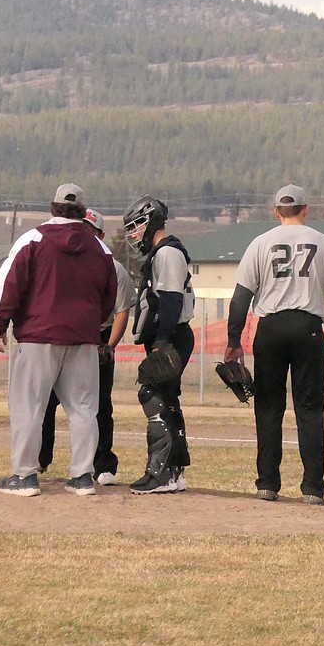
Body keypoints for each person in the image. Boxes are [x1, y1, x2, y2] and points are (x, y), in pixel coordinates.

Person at [224, 185, 324, 504]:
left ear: (276, 212)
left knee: (268, 407)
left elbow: (241, 297)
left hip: (270, 329)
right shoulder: (322, 242)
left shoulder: (260, 243)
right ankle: (312, 488)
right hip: (308, 329)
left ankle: (267, 484)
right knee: (309, 409)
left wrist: (233, 340)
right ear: (305, 209)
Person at [0, 184, 118, 498]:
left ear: (53, 208)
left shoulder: (33, 239)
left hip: (38, 336)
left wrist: (0, 324)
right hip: (83, 338)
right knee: (84, 408)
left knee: (29, 407)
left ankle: (25, 476)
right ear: (81, 212)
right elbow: (109, 296)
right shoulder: (100, 248)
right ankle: (82, 476)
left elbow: (10, 284)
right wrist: (90, 323)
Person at [38, 209, 136, 485]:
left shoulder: (112, 266)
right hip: (64, 335)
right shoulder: (62, 259)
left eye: (91, 231)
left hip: (97, 338)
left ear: (101, 235)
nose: (84, 234)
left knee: (98, 404)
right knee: (46, 401)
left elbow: (122, 311)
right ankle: (40, 460)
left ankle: (102, 463)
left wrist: (110, 346)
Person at [122, 195, 194, 495]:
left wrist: (161, 342)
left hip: (172, 335)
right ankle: (173, 472)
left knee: (153, 396)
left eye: (137, 225)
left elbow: (172, 300)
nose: (134, 233)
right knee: (166, 399)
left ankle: (161, 473)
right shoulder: (161, 253)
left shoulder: (167, 254)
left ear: (152, 221)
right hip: (168, 335)